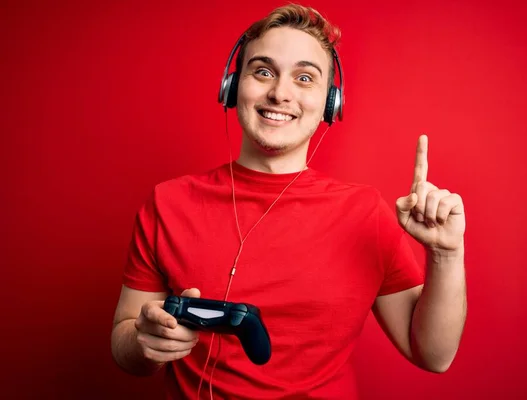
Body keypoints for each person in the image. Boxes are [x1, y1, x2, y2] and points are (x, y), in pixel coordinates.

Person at [110, 3, 467, 400]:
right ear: (232, 88)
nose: (280, 93)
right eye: (263, 71)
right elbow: (124, 339)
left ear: (331, 104)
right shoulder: (168, 201)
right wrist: (144, 340)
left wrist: (446, 255)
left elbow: (434, 355)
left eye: (304, 78)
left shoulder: (365, 213)